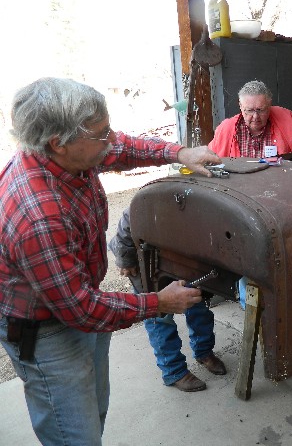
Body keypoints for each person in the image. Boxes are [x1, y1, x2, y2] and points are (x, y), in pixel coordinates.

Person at [0, 77, 222, 445]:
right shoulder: (39, 214)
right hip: (47, 333)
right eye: (101, 133)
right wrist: (160, 302)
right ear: (59, 142)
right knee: (75, 435)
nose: (111, 139)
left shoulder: (70, 155)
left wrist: (180, 153)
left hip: (76, 306)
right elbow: (82, 311)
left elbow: (123, 148)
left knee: (94, 411)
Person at [109, 79, 292, 392]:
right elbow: (127, 222)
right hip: (150, 265)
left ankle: (204, 352)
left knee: (197, 301)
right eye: (250, 110)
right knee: (161, 316)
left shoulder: (199, 204)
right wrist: (125, 258)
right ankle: (174, 371)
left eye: (261, 109)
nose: (255, 115)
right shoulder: (158, 198)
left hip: (183, 259)